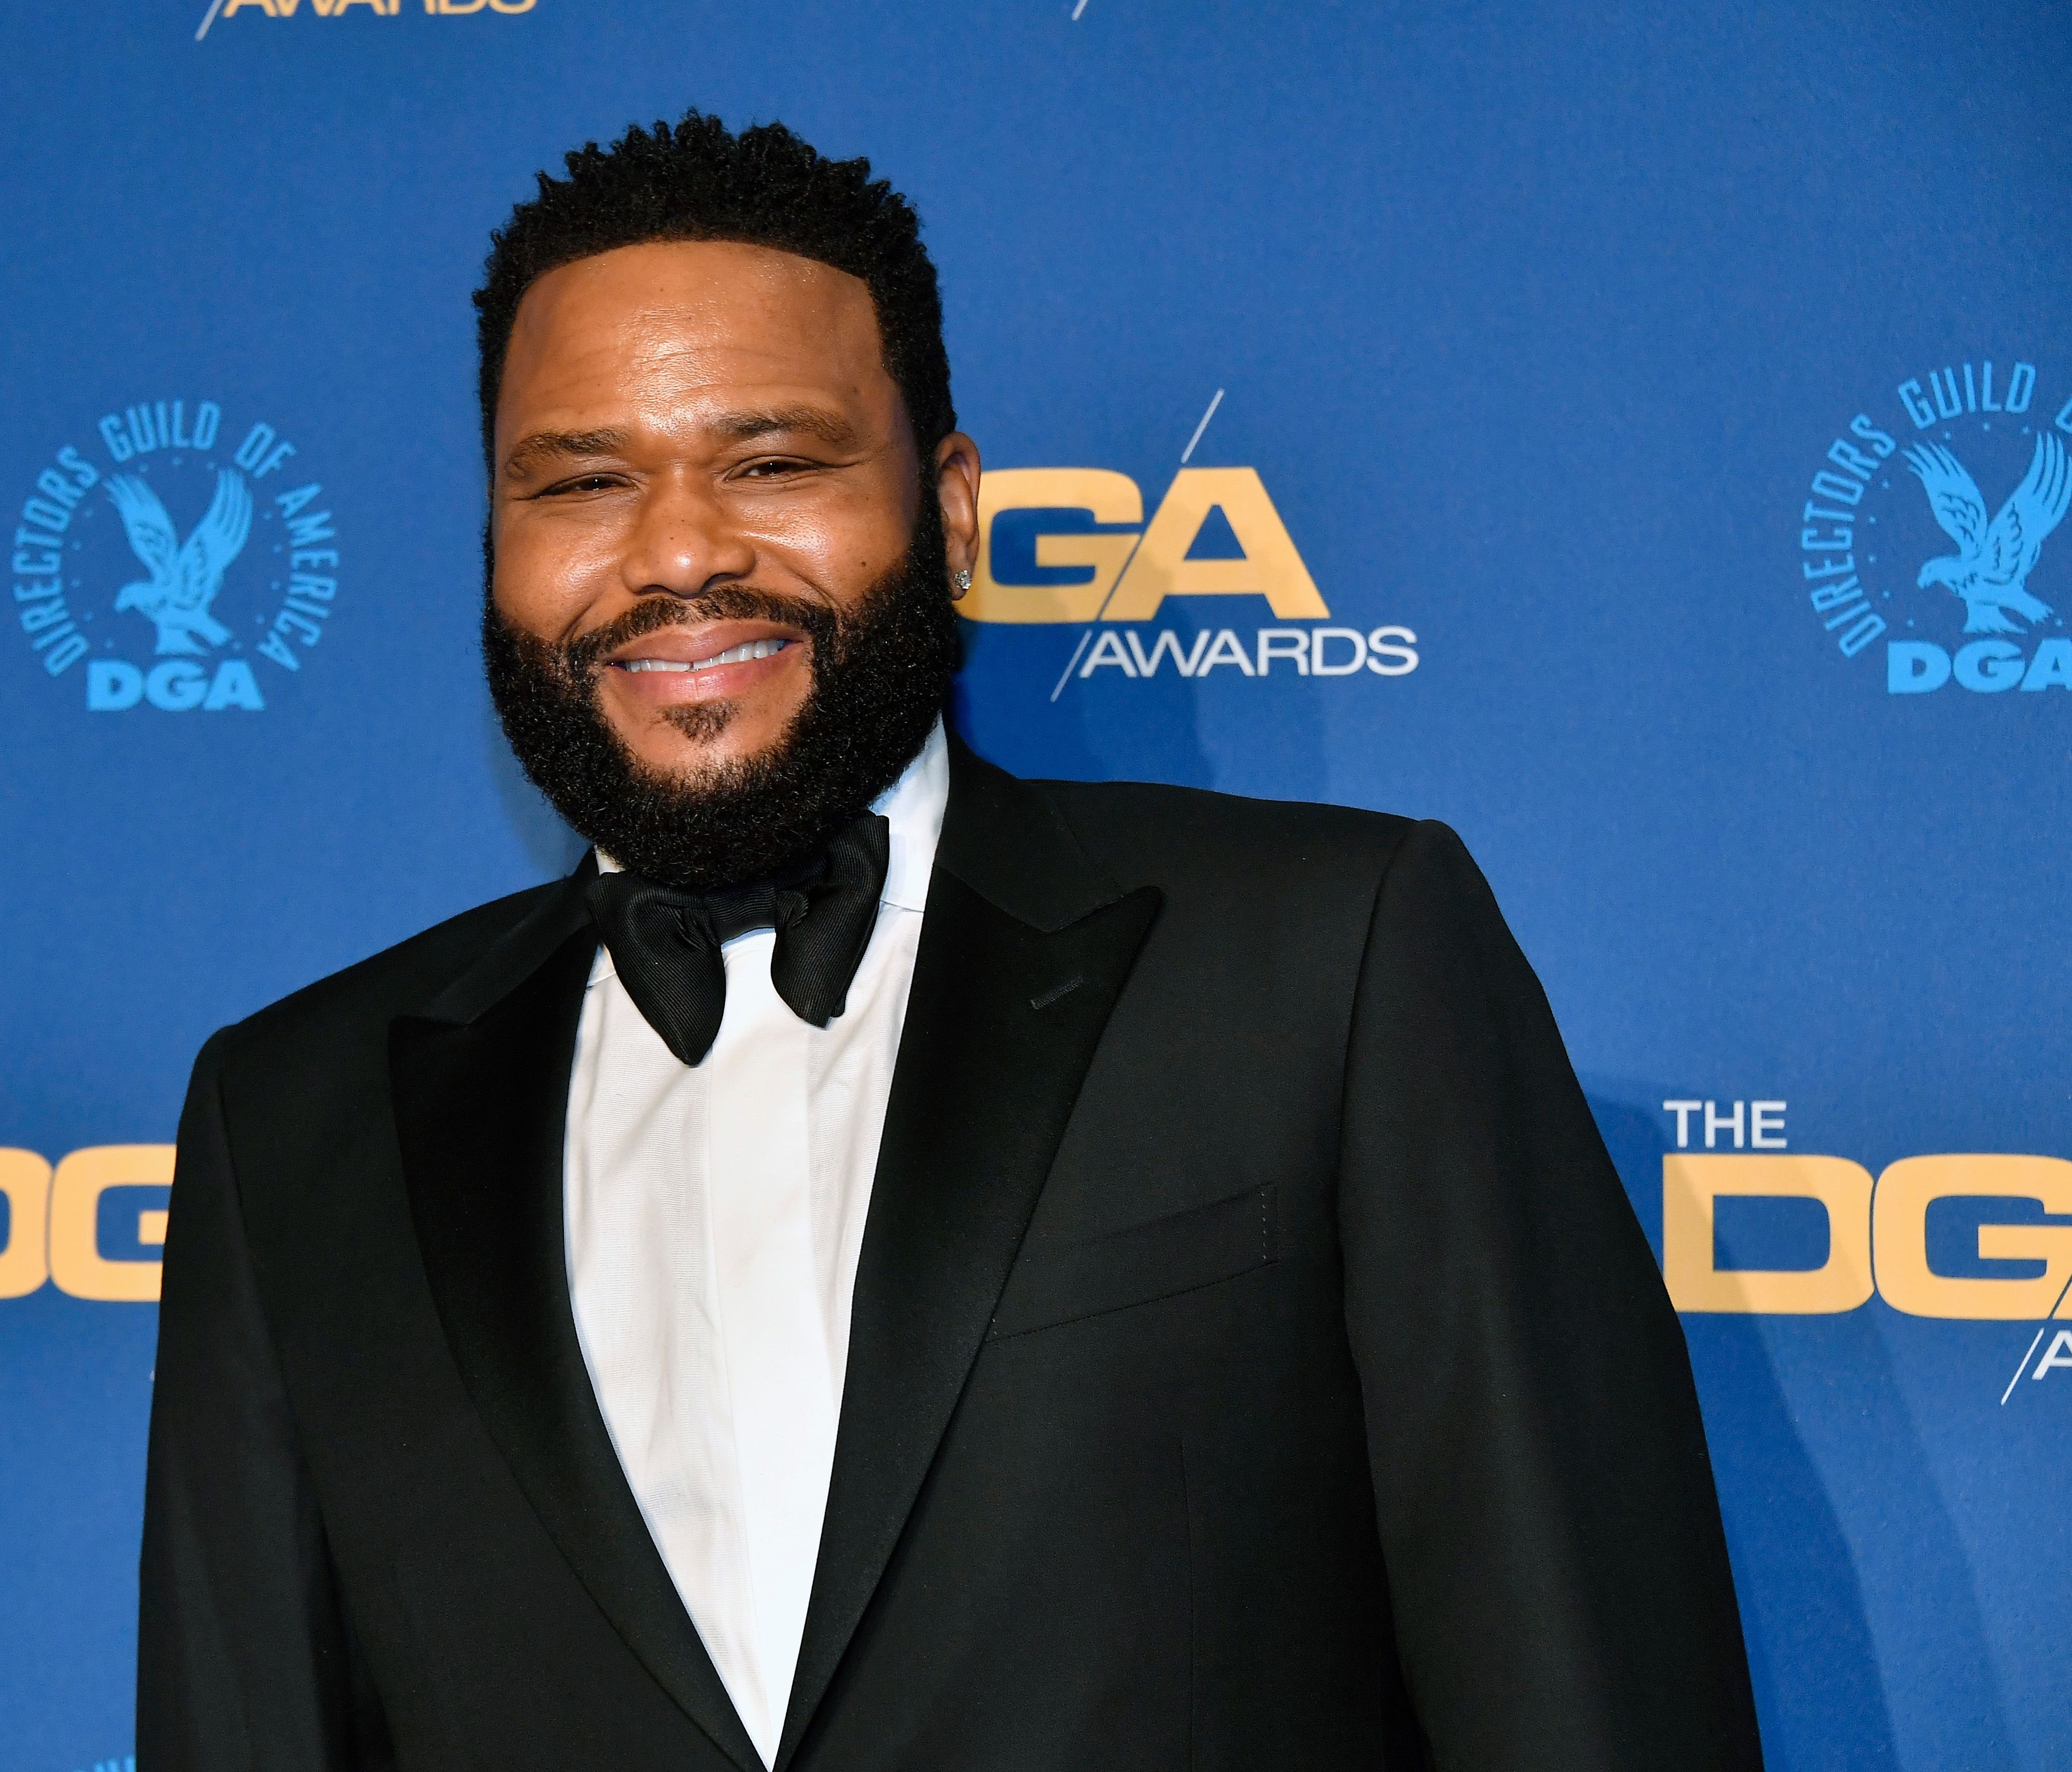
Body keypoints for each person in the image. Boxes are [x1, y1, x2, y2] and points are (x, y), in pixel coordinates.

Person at [137, 112, 1760, 1772]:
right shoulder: (292, 1119)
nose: (681, 549)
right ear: (495, 542)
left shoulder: (1327, 966)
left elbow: (1591, 1708)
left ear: (957, 510)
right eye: (581, 481)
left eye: (773, 462)